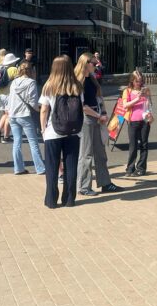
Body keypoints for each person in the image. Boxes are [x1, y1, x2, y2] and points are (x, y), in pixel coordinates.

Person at [74, 52, 122, 195]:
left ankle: (105, 183)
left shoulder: (92, 79)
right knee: (86, 154)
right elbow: (81, 106)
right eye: (94, 63)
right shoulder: (78, 81)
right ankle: (84, 187)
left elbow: (99, 98)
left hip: (97, 116)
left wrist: (104, 113)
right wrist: (98, 115)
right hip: (86, 119)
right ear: (85, 63)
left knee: (100, 152)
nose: (97, 66)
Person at [40, 55, 83, 209]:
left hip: (53, 131)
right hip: (73, 132)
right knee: (71, 166)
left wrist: (43, 129)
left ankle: (51, 200)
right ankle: (69, 199)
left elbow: (44, 110)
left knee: (52, 167)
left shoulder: (49, 85)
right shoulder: (77, 86)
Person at [8, 61, 45, 175]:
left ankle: (18, 168)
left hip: (13, 115)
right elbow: (33, 101)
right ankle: (40, 168)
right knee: (33, 143)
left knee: (17, 142)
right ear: (31, 70)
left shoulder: (14, 82)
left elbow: (10, 99)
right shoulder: (31, 82)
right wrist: (40, 109)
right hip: (24, 115)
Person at [122, 71, 152, 176]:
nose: (139, 83)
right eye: (137, 81)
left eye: (140, 81)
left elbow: (149, 105)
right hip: (133, 120)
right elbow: (125, 105)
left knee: (144, 144)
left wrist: (147, 96)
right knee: (133, 145)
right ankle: (130, 168)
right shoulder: (127, 91)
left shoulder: (145, 90)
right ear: (132, 81)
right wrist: (137, 99)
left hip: (144, 120)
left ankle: (141, 168)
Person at [0, 53, 20, 143]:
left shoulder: (1, 69)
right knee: (9, 115)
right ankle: (6, 136)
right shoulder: (14, 69)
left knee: (5, 114)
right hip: (7, 95)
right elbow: (18, 82)